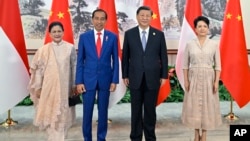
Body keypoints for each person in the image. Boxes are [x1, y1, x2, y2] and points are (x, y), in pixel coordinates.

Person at [122, 6, 168, 141]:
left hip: (152, 78)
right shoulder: (129, 34)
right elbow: (125, 56)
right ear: (137, 17)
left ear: (151, 17)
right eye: (142, 15)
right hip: (135, 78)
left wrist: (164, 75)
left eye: (147, 15)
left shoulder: (158, 34)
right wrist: (125, 75)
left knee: (150, 111)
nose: (144, 18)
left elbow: (163, 57)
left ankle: (150, 137)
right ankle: (135, 137)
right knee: (135, 110)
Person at [28, 21, 77, 141]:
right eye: (54, 31)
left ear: (63, 32)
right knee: (51, 119)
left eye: (59, 31)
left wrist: (75, 85)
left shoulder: (70, 48)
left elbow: (74, 67)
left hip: (66, 90)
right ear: (49, 34)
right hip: (48, 90)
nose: (57, 34)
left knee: (63, 120)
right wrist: (38, 87)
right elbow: (38, 71)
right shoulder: (43, 50)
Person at [75, 9, 119, 141]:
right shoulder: (84, 37)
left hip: (106, 79)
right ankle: (87, 138)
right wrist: (79, 81)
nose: (99, 21)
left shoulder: (112, 37)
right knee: (87, 112)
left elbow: (115, 60)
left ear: (106, 21)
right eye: (97, 18)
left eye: (102, 19)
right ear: (92, 19)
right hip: (88, 81)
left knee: (103, 112)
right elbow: (80, 61)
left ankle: (101, 138)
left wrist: (114, 80)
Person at [181, 16, 222, 141]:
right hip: (193, 78)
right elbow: (185, 65)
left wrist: (216, 82)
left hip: (209, 79)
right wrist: (186, 80)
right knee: (193, 106)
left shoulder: (214, 44)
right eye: (199, 26)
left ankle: (204, 134)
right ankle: (195, 134)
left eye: (205, 26)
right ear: (195, 29)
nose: (202, 29)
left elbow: (218, 66)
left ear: (208, 28)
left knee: (207, 106)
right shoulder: (189, 44)